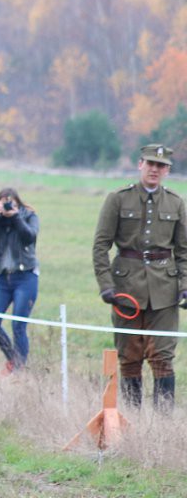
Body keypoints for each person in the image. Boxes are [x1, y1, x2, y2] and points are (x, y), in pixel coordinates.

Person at [92, 144, 187, 412]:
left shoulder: (176, 203)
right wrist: (106, 285)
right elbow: (101, 245)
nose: (154, 170)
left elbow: (183, 251)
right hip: (126, 287)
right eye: (150, 164)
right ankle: (132, 418)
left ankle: (162, 423)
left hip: (164, 290)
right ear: (140, 165)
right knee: (129, 357)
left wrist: (184, 287)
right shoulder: (118, 198)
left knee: (163, 357)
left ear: (167, 170)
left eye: (160, 166)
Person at [0, 188, 40, 375]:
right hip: (3, 278)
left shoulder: (29, 216)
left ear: (18, 202)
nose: (7, 206)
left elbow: (29, 237)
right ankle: (13, 359)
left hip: (25, 277)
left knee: (18, 326)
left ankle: (19, 371)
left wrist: (15, 217)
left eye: (10, 202)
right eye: (3, 202)